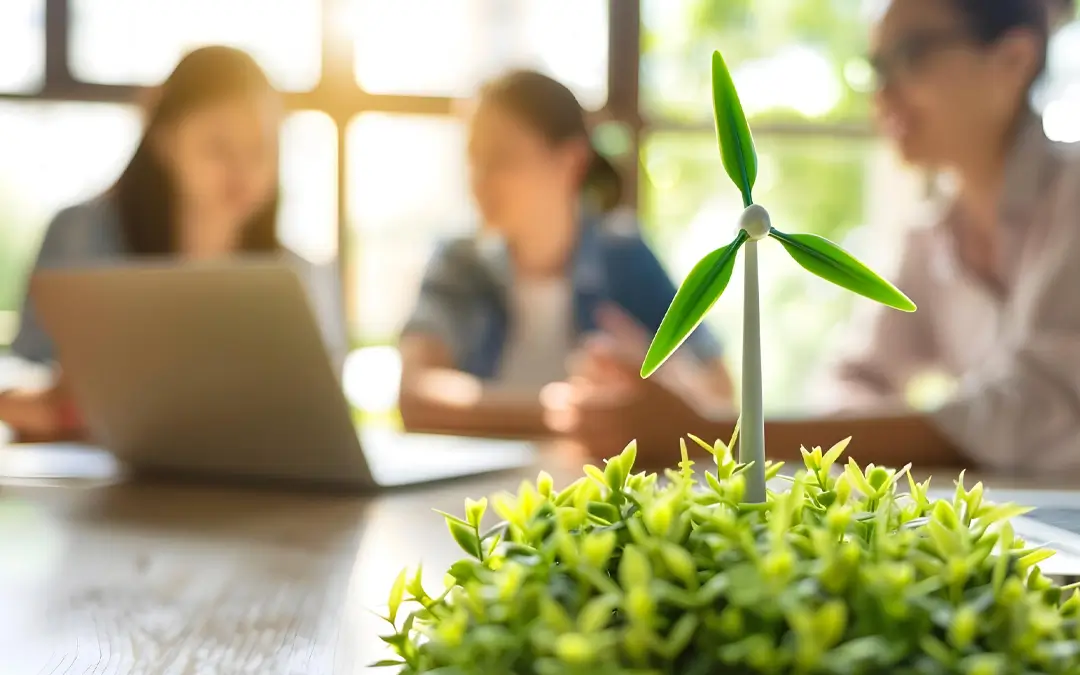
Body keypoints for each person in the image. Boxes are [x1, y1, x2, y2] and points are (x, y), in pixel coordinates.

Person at [547, 0, 1080, 474]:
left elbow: (1029, 409)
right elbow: (853, 377)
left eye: (913, 54)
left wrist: (713, 432)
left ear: (1012, 60)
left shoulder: (1071, 201)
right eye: (875, 66)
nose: (883, 90)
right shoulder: (932, 233)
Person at [0, 46, 345, 442]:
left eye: (260, 150)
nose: (243, 170)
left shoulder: (299, 272)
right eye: (219, 147)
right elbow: (22, 370)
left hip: (252, 481)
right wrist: (43, 403)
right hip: (96, 476)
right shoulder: (81, 234)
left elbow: (327, 408)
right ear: (165, 141)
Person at [397, 70, 733, 438]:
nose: (480, 177)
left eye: (501, 157)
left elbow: (720, 394)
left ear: (570, 162)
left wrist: (662, 372)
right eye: (473, 158)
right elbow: (414, 394)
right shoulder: (459, 262)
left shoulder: (625, 258)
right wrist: (558, 410)